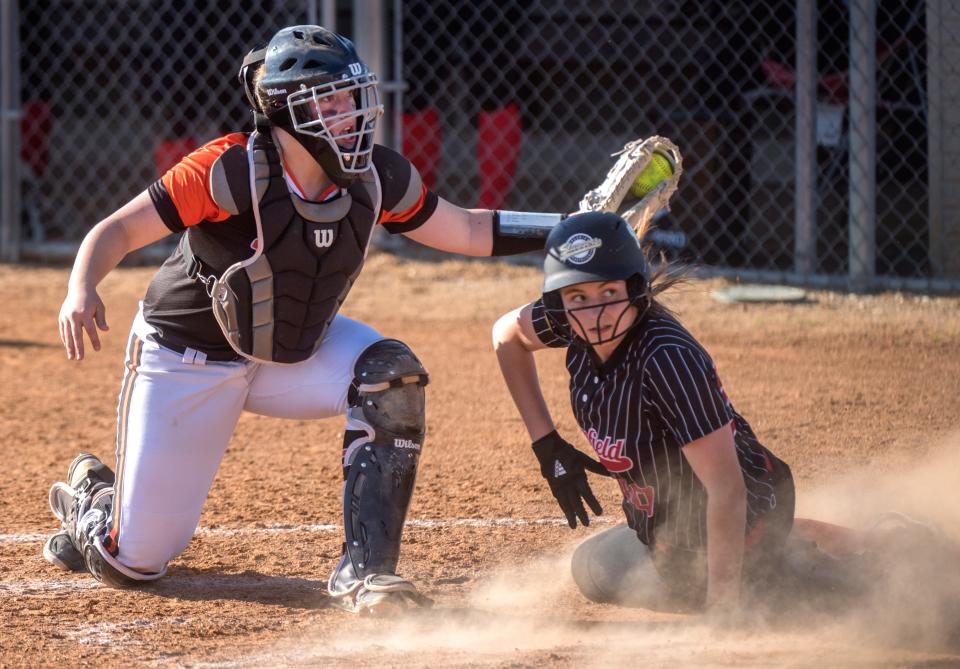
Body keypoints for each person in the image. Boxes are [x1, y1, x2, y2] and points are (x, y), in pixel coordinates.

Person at [44, 25, 560, 615]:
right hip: (188, 356)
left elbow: (467, 229)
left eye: (353, 98)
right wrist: (81, 287)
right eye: (331, 101)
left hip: (291, 351)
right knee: (134, 561)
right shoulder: (228, 169)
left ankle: (366, 574)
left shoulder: (378, 175)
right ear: (287, 110)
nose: (351, 114)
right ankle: (96, 496)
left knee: (390, 373)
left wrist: (566, 225)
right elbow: (119, 229)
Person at [491, 210, 899, 615]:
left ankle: (886, 552)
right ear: (559, 303)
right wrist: (546, 444)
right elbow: (506, 335)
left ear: (636, 290)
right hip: (671, 533)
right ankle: (842, 542)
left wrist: (723, 607)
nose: (596, 312)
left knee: (840, 603)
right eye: (578, 296)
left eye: (609, 293)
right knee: (593, 569)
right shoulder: (575, 322)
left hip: (740, 518)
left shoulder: (666, 359)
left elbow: (726, 488)